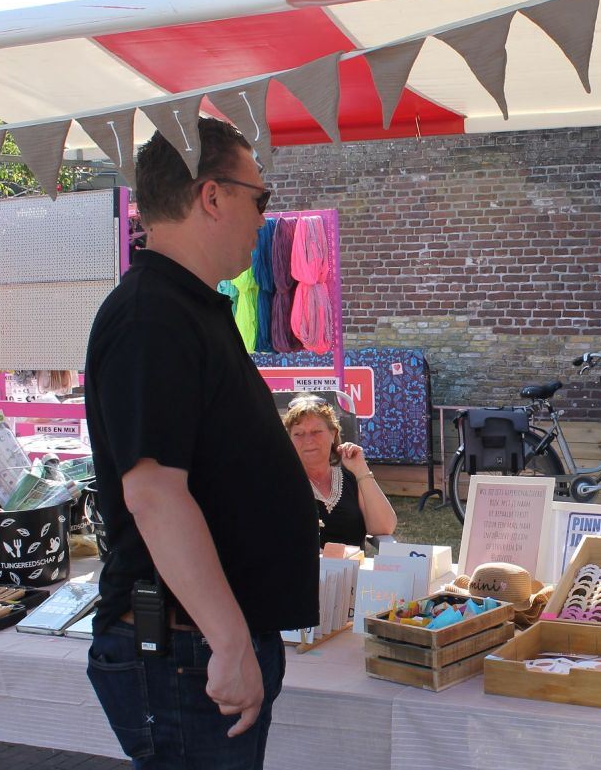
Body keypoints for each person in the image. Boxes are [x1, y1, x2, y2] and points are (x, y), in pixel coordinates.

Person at [83, 117, 318, 769]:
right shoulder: (151, 317)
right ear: (211, 196)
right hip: (186, 651)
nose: (263, 217)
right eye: (259, 198)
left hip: (198, 646)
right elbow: (154, 492)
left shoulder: (183, 307)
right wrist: (229, 640)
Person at [282, 395, 397, 548]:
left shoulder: (351, 479)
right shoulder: (279, 483)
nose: (308, 440)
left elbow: (384, 528)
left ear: (333, 434)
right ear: (289, 438)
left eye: (316, 431)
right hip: (300, 570)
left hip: (353, 569)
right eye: (298, 433)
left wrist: (361, 470)